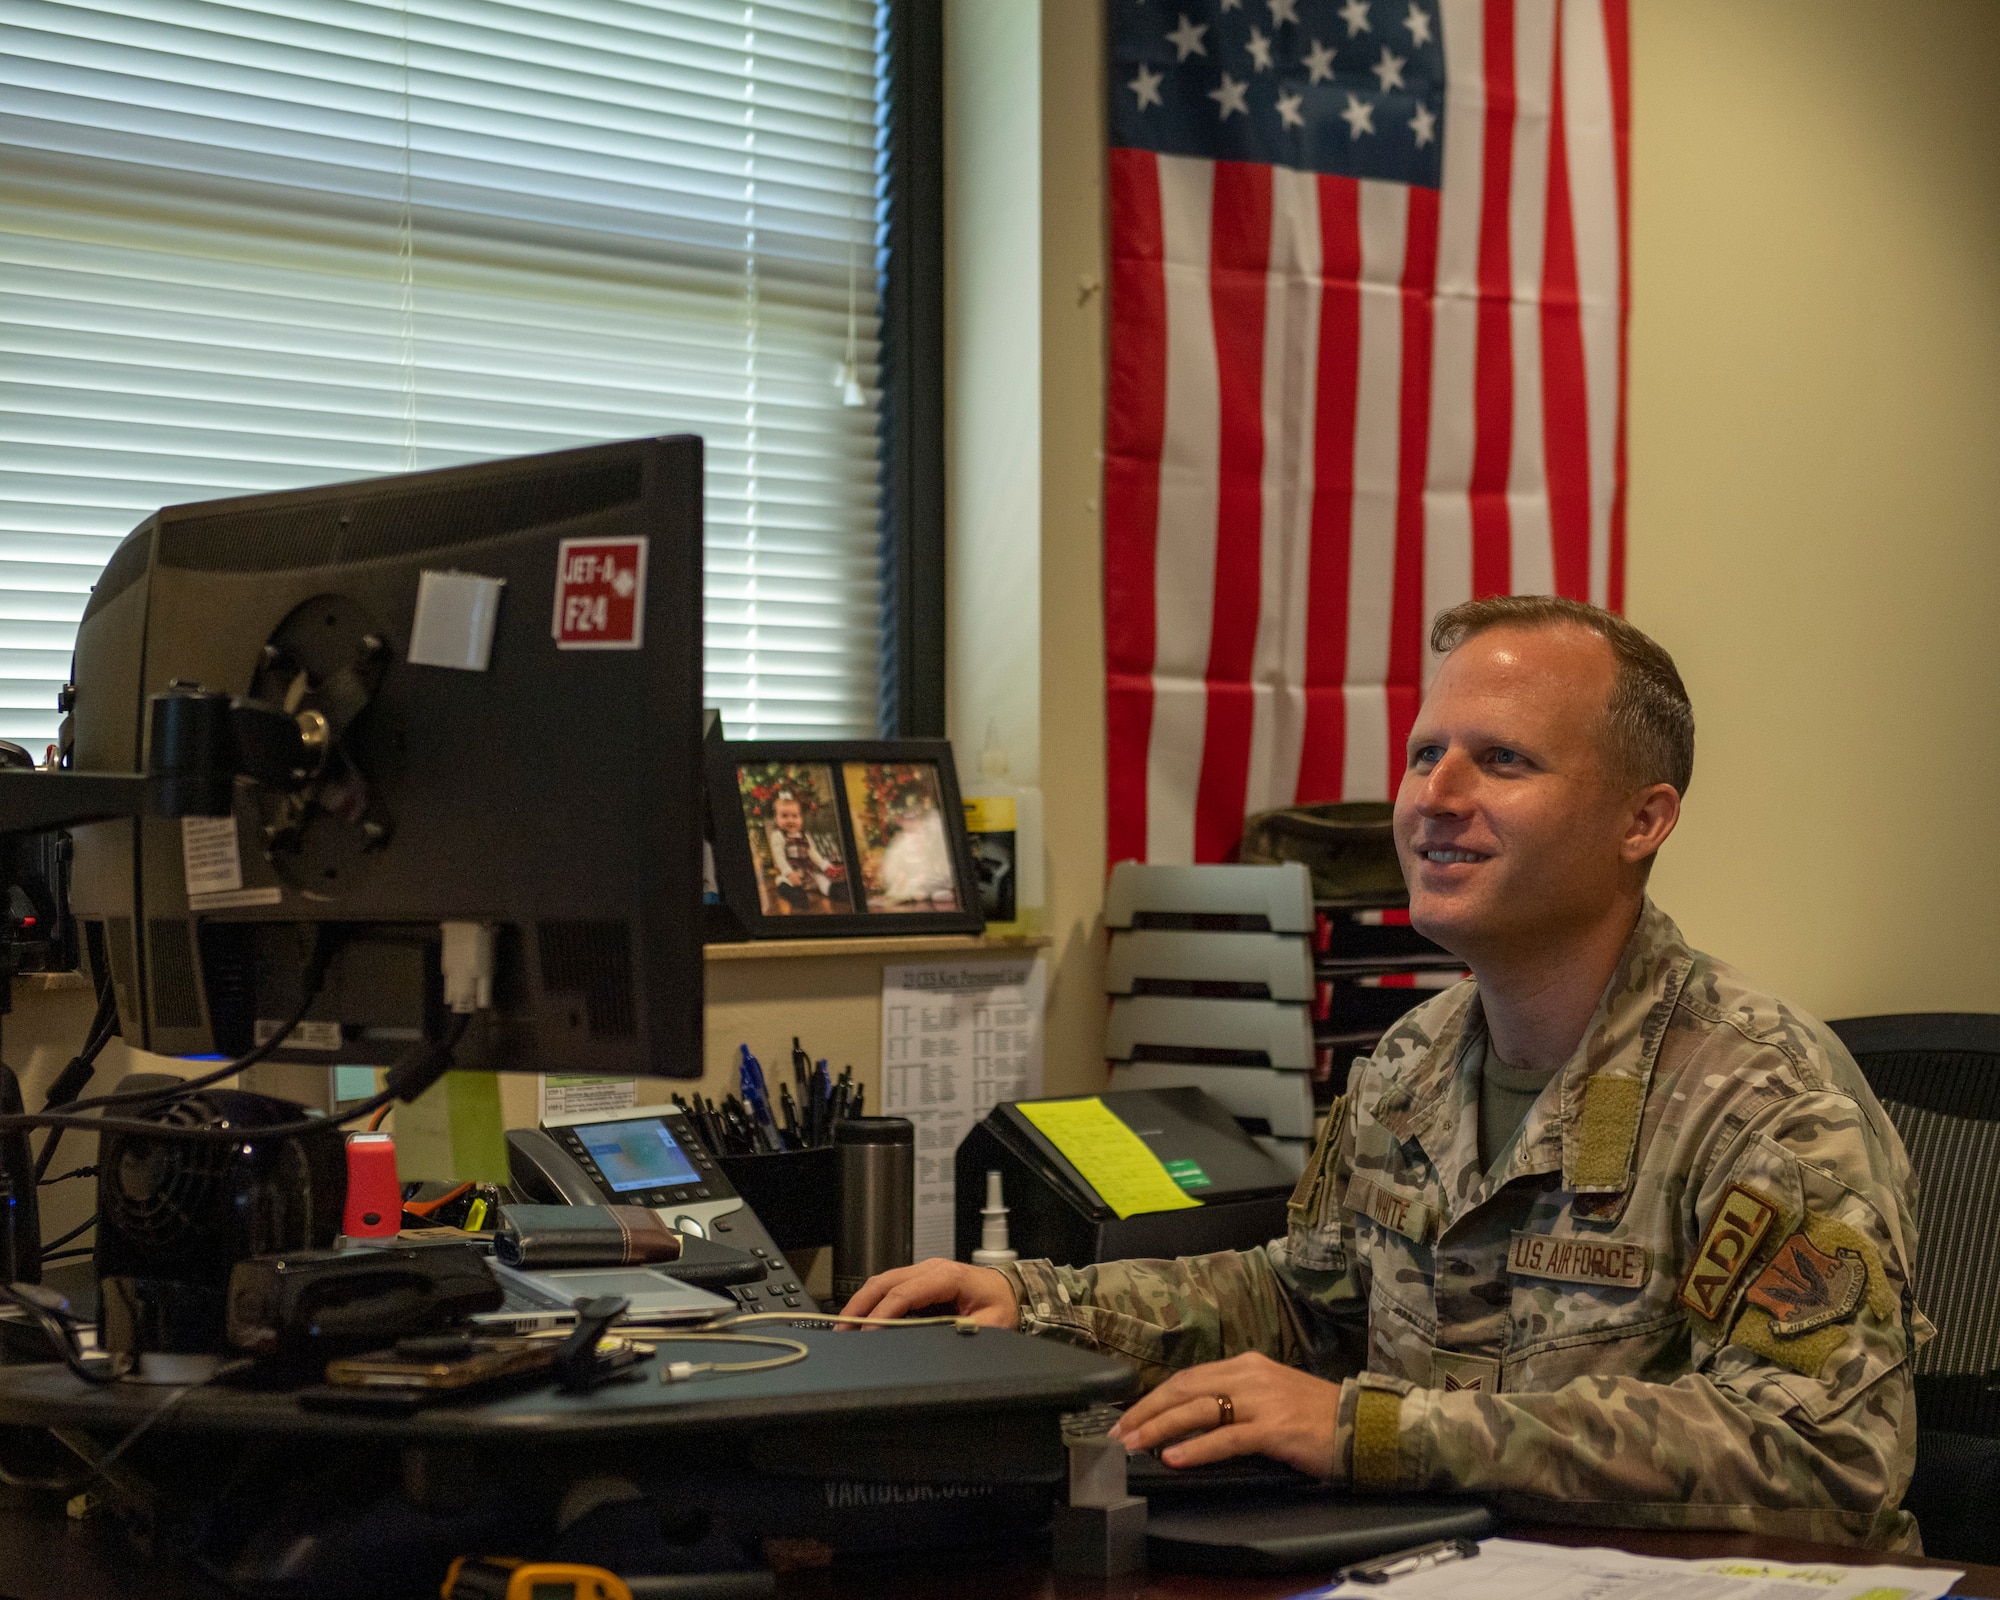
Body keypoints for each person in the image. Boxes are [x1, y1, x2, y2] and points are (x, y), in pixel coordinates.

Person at [843, 596, 1930, 1550]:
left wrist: (1372, 1430)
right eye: (1423, 755)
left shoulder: (1767, 1100)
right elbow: (1303, 1300)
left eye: (1502, 761)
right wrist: (1035, 1305)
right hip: (1441, 1566)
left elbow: (1823, 1453)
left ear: (1639, 820)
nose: (1433, 796)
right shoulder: (1409, 1062)